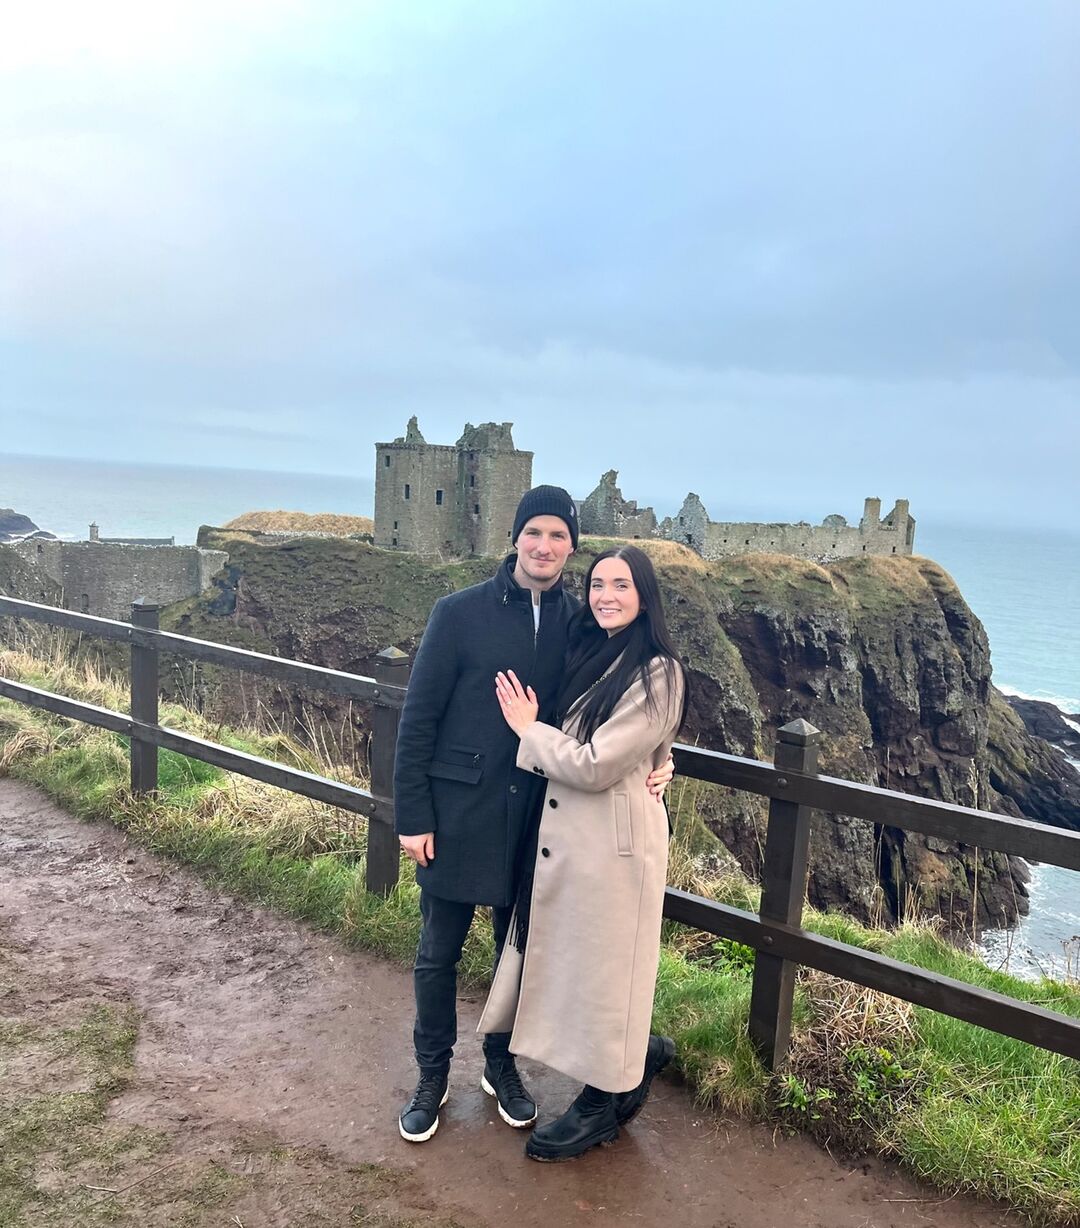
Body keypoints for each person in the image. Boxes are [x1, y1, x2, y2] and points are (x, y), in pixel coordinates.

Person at [393, 488, 674, 1143]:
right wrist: (413, 816)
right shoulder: (457, 613)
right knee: (437, 954)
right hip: (458, 813)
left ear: (571, 546)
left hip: (538, 822)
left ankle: (501, 1066)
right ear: (515, 536)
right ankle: (431, 1078)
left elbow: (623, 706)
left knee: (514, 952)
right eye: (534, 532)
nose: (544, 546)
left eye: (558, 536)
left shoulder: (583, 623)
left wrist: (664, 758)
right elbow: (418, 720)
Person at [478, 544, 688, 1162]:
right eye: (597, 584)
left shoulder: (660, 670)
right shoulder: (595, 650)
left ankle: (600, 1103)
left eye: (621, 585)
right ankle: (636, 1054)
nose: (606, 596)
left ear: (644, 596)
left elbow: (596, 763)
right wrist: (660, 756)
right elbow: (621, 743)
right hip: (574, 841)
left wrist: (528, 730)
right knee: (577, 962)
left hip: (616, 850)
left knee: (607, 970)